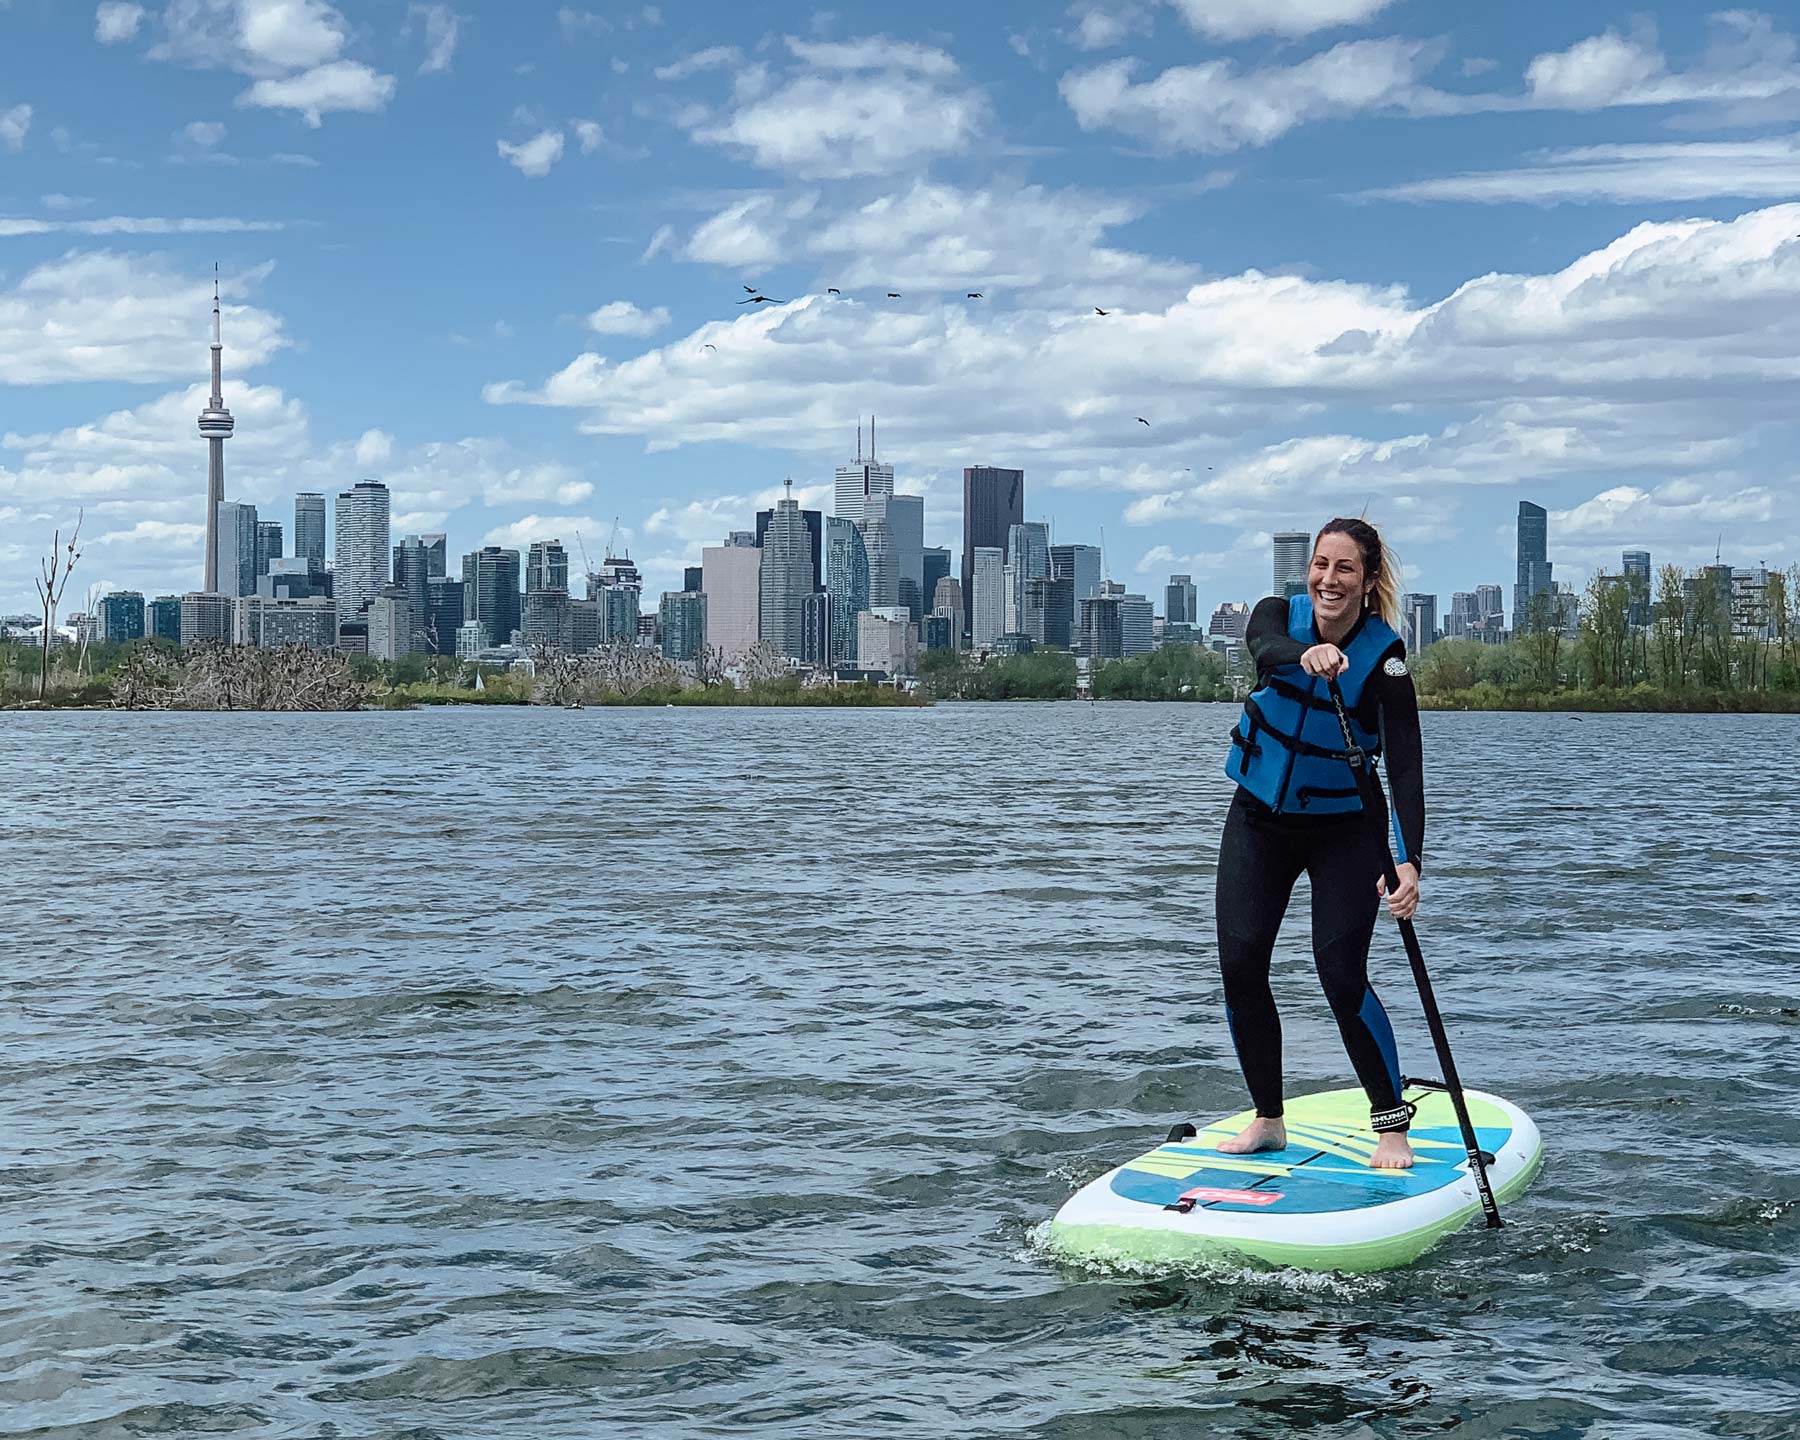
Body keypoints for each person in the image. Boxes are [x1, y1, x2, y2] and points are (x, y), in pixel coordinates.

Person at [1212, 517, 1424, 1169]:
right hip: (1259, 819)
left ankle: (1392, 1127)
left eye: (1345, 569)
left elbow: (1407, 768)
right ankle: (1269, 1121)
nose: (1328, 580)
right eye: (1320, 565)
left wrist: (1408, 857)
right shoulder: (1278, 616)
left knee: (1340, 974)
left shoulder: (1385, 660)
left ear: (1368, 581)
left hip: (1343, 832)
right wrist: (1302, 653)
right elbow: (1263, 645)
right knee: (1242, 965)